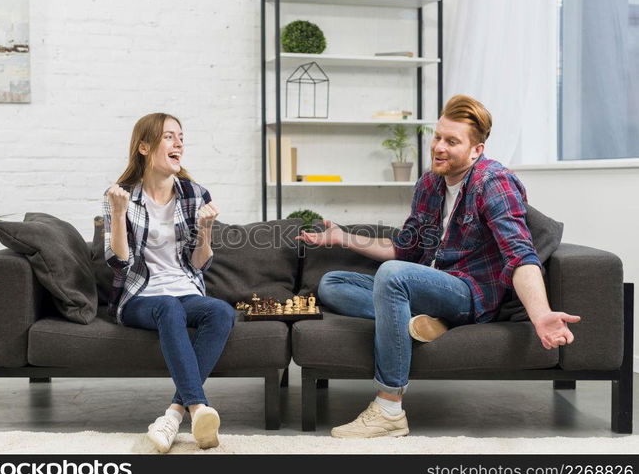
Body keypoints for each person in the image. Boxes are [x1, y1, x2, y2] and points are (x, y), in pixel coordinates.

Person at [296, 95, 580, 439]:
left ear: (476, 150)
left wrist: (541, 314)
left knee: (392, 277)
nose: (438, 147)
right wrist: (342, 238)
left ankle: (389, 409)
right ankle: (421, 322)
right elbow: (404, 249)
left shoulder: (494, 182)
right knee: (332, 283)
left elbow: (520, 255)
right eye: (437, 137)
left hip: (469, 293)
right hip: (433, 287)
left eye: (451, 141)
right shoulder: (430, 183)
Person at [102, 112, 235, 451]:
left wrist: (205, 231)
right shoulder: (122, 196)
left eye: (181, 137)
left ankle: (175, 414)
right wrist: (118, 214)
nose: (179, 144)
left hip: (185, 289)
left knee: (221, 312)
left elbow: (199, 264)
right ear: (144, 147)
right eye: (169, 137)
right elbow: (119, 262)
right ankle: (196, 406)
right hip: (140, 297)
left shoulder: (194, 193)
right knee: (168, 306)